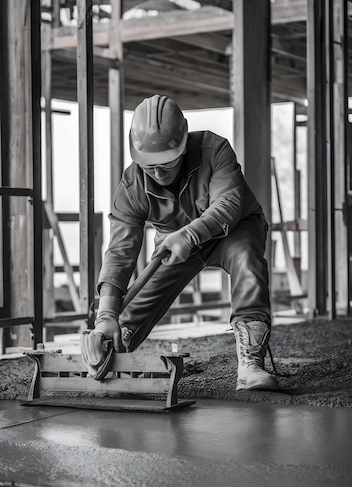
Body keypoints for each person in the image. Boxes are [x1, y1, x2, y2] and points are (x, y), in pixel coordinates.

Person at [81, 94, 278, 391]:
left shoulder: (215, 149)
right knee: (126, 317)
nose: (159, 174)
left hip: (234, 232)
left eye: (168, 164)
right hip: (174, 249)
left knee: (247, 260)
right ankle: (107, 355)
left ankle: (251, 365)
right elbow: (120, 251)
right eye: (150, 167)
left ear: (184, 147)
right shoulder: (132, 186)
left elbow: (228, 205)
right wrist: (107, 314)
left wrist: (188, 234)